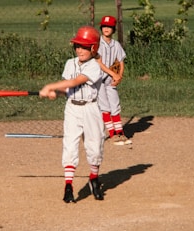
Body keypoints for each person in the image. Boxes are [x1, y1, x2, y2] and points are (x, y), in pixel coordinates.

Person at [39, 26, 105, 203]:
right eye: (77, 46)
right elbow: (68, 87)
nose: (79, 50)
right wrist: (57, 93)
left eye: (84, 46)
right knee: (69, 145)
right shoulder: (70, 63)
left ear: (94, 48)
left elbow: (77, 80)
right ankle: (68, 186)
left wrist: (51, 86)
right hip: (72, 109)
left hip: (91, 109)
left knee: (94, 147)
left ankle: (94, 178)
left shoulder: (94, 66)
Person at [97, 15, 132, 146]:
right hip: (99, 80)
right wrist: (113, 74)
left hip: (111, 80)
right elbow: (99, 63)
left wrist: (119, 77)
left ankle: (120, 132)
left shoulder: (116, 45)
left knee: (115, 105)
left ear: (113, 29)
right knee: (105, 107)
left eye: (109, 27)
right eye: (104, 26)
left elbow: (121, 62)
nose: (107, 29)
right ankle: (112, 134)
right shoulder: (97, 44)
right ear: (101, 28)